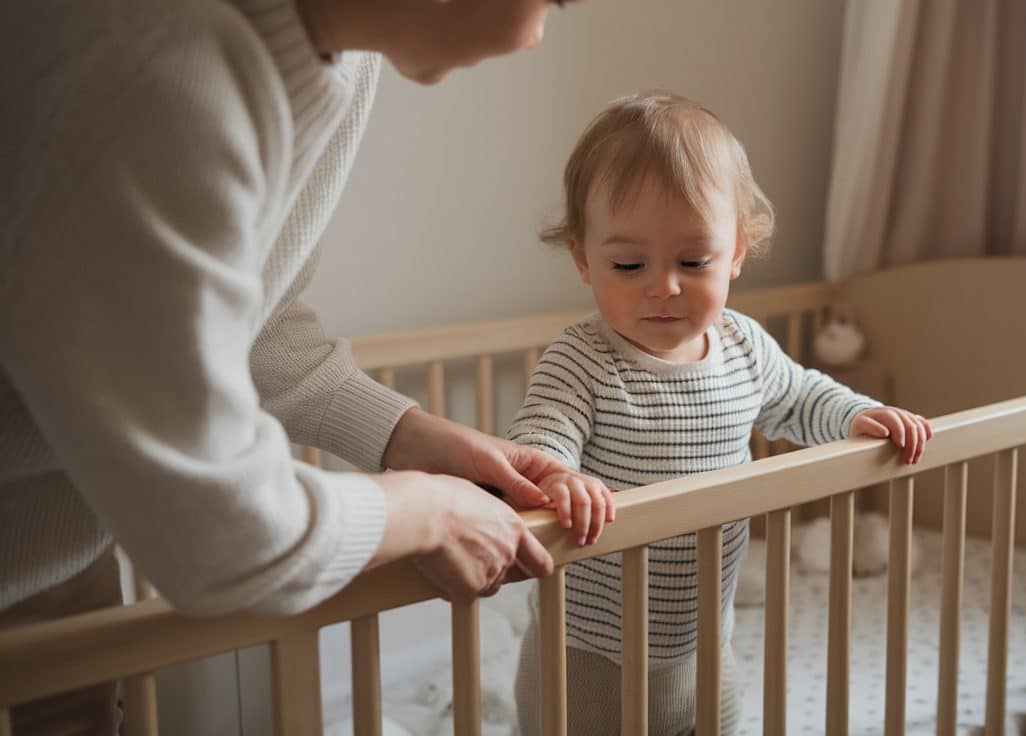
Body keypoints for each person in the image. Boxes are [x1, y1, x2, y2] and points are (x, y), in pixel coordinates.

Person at [0, 0, 588, 732]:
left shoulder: (340, 50)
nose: (536, 38)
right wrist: (423, 510)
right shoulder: (156, 66)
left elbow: (239, 319)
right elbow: (218, 533)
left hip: (63, 512)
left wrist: (411, 435)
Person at [507, 91, 933, 736]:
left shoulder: (743, 345)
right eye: (628, 263)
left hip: (703, 638)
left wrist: (858, 417)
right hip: (586, 647)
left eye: (693, 260)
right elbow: (542, 432)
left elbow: (802, 396)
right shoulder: (582, 359)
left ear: (737, 250)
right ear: (581, 258)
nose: (664, 285)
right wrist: (557, 476)